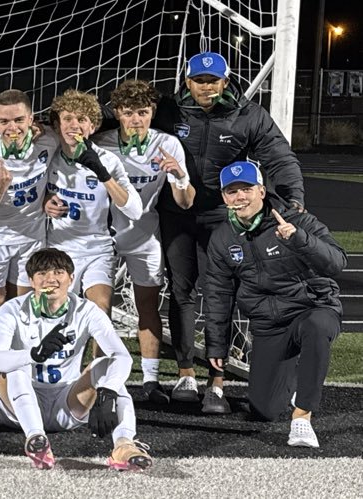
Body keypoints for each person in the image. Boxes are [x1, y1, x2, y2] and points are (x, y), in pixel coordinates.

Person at [160, 52, 306, 413]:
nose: (205, 87)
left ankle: (217, 383)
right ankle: (184, 374)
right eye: (198, 80)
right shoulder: (168, 110)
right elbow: (120, 118)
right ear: (187, 82)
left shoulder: (248, 115)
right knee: (180, 290)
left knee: (219, 292)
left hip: (224, 218)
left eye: (213, 81)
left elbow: (278, 156)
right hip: (176, 212)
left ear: (226, 81)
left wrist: (294, 196)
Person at [202, 161, 345, 448]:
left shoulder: (297, 220)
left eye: (246, 189)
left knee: (317, 328)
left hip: (311, 308)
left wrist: (299, 239)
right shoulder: (221, 238)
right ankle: (291, 379)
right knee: (264, 410)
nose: (240, 197)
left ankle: (302, 418)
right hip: (268, 325)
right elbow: (218, 293)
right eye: (232, 191)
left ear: (262, 191)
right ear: (223, 197)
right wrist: (216, 344)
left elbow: (337, 263)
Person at [0, 248, 151, 472]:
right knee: (16, 365)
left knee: (106, 368)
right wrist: (32, 354)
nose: (50, 279)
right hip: (18, 407)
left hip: (67, 404)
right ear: (31, 281)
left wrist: (108, 391)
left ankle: (124, 445)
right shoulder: (12, 310)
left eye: (58, 272)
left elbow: (122, 357)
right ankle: (36, 440)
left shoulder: (86, 310)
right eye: (42, 273)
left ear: (71, 279)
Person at [91, 79, 195, 403]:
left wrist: (179, 175)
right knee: (99, 309)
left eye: (143, 112)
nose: (136, 119)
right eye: (128, 112)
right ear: (117, 113)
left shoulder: (168, 145)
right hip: (102, 238)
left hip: (144, 235)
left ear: (152, 113)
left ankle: (150, 382)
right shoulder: (101, 145)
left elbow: (185, 202)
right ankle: (100, 380)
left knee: (148, 306)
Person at [0, 88, 57, 405]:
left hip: (32, 238)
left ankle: (21, 376)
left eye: (19, 119)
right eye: (5, 120)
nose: (12, 127)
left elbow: (72, 130)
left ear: (31, 118)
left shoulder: (47, 142)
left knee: (27, 309)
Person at [42, 89, 142, 314]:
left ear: (92, 127)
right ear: (57, 126)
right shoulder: (48, 157)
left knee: (100, 310)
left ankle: (103, 352)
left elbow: (135, 211)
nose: (74, 125)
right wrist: (44, 203)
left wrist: (102, 173)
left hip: (98, 248)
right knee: (55, 312)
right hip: (58, 247)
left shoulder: (108, 160)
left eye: (82, 119)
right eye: (67, 119)